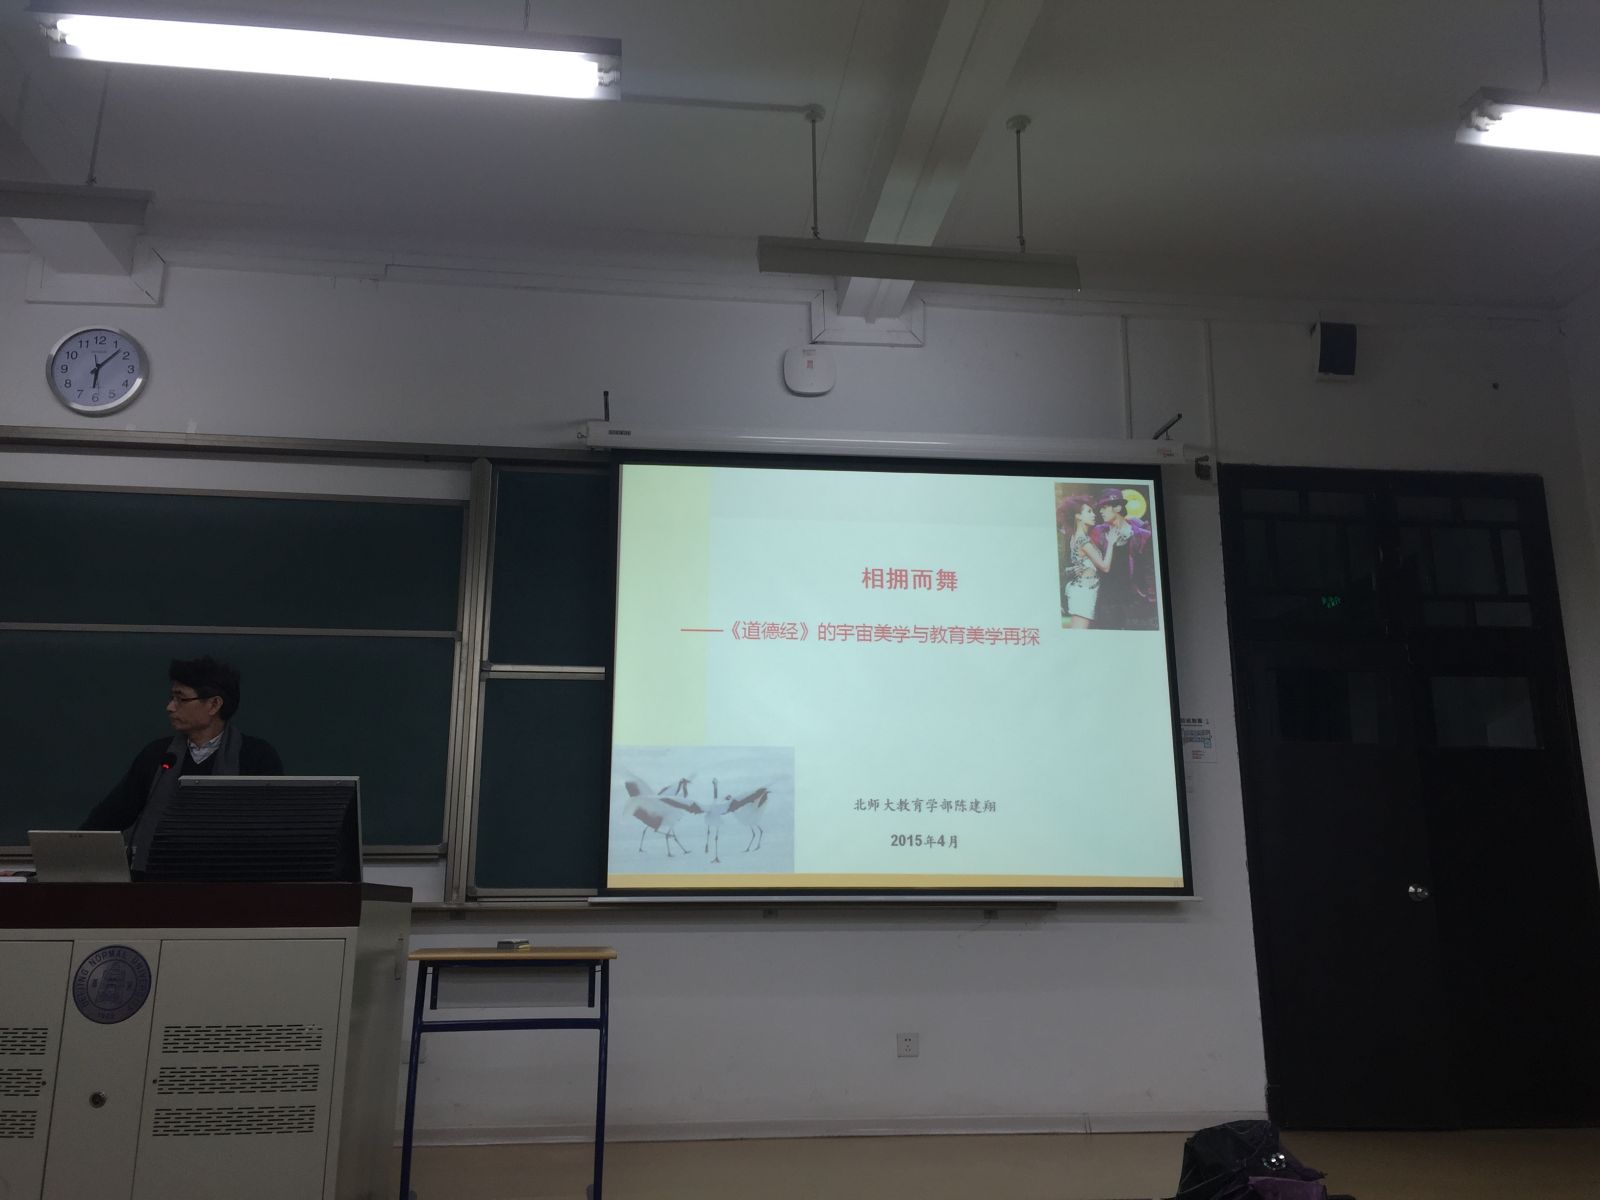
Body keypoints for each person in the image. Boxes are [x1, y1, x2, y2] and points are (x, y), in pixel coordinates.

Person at [81, 657, 283, 870]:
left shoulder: (256, 756)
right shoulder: (158, 755)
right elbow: (110, 816)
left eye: (181, 699)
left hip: (230, 877)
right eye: (171, 698)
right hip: (158, 877)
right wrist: (74, 847)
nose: (170, 707)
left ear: (214, 704)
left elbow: (270, 828)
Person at [1090, 487, 1157, 630]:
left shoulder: (1142, 535)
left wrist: (1151, 597)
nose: (1100, 511)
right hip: (1106, 601)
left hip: (1133, 600)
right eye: (1100, 508)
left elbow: (1150, 569)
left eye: (1104, 507)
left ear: (1118, 507)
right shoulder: (1098, 532)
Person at [1059, 495, 1115, 628]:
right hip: (1083, 592)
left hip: (1085, 590)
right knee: (1079, 633)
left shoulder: (1078, 537)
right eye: (1089, 512)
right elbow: (1105, 567)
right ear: (1078, 516)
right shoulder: (1082, 540)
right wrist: (1111, 543)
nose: (1094, 515)